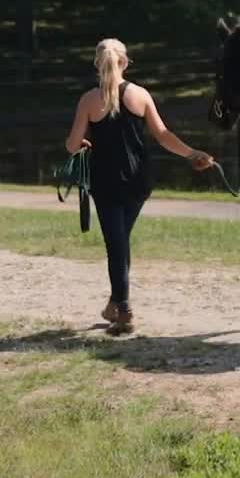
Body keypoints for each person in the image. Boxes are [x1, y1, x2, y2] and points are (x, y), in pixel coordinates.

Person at [65, 38, 214, 335]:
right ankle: (115, 303)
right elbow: (163, 135)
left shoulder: (89, 101)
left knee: (116, 246)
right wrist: (192, 153)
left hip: (105, 183)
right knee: (121, 242)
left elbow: (71, 145)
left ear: (98, 63)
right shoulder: (141, 95)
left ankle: (124, 309)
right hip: (138, 182)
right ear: (125, 62)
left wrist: (80, 144)